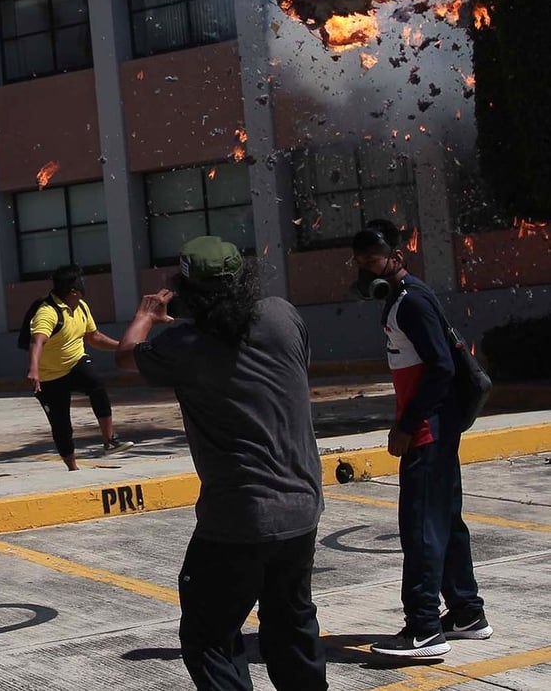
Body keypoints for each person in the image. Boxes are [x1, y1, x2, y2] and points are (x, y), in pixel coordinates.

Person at [116, 236, 327, 691]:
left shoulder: (183, 344)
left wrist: (145, 316)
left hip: (238, 517)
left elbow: (125, 356)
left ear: (186, 289)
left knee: (208, 635)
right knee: (291, 626)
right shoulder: (280, 315)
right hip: (302, 505)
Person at [351, 219, 492, 658]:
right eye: (359, 261)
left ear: (397, 255)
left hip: (428, 432)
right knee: (445, 521)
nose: (365, 268)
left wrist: (407, 426)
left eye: (373, 259)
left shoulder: (411, 302)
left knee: (421, 528)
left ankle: (424, 629)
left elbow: (442, 368)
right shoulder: (401, 298)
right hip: (436, 429)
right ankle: (467, 613)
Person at [25, 264, 134, 471]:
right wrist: (34, 369)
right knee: (61, 425)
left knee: (96, 383)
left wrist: (123, 347)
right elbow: (37, 341)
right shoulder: (47, 313)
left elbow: (94, 338)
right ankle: (73, 468)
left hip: (75, 363)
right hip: (49, 377)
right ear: (73, 291)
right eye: (81, 284)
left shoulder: (81, 306)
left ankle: (110, 440)